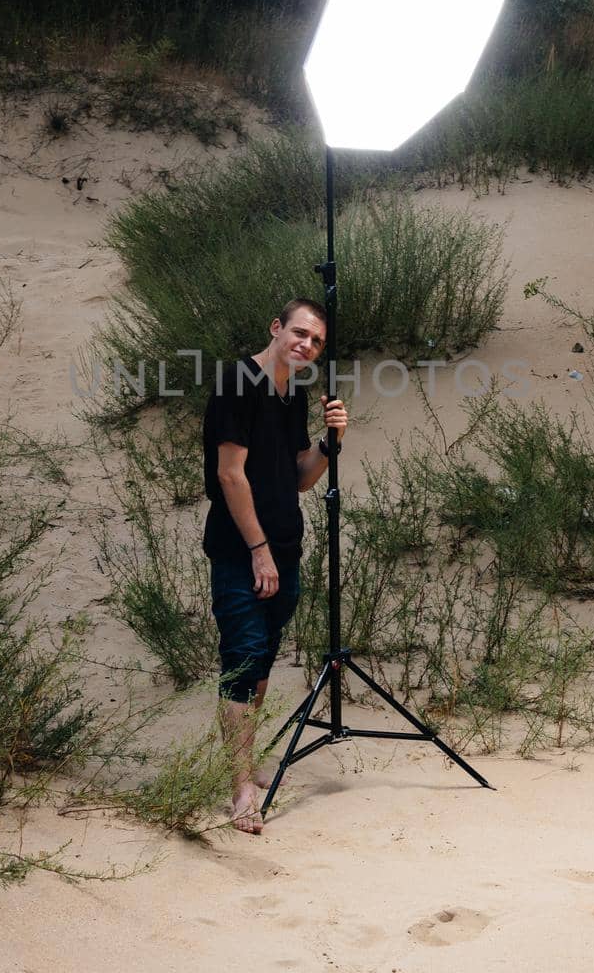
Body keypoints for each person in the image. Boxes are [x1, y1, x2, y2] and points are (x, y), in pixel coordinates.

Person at [202, 298, 347, 834]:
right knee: (241, 657)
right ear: (276, 328)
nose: (305, 345)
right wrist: (258, 549)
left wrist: (333, 443)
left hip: (285, 546)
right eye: (300, 333)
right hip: (245, 549)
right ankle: (240, 790)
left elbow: (300, 476)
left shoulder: (293, 392)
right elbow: (230, 474)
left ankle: (246, 764)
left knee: (261, 659)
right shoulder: (239, 382)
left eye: (316, 342)